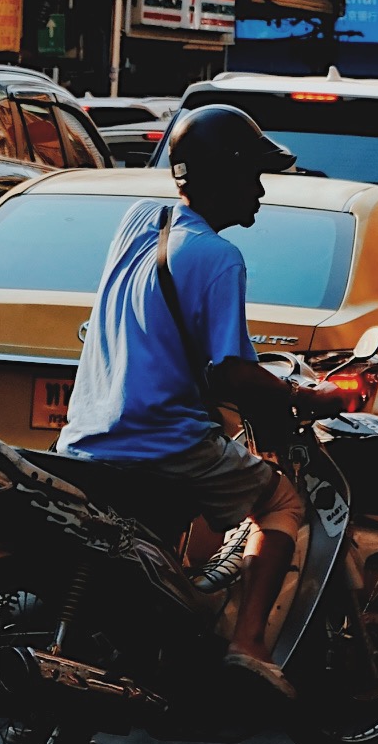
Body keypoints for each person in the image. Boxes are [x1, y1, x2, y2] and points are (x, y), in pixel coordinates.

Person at [56, 102, 339, 697]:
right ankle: (250, 644)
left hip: (84, 435)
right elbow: (233, 373)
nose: (261, 190)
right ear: (224, 176)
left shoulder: (139, 221)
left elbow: (172, 328)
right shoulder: (220, 258)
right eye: (252, 176)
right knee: (281, 502)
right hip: (161, 440)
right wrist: (301, 394)